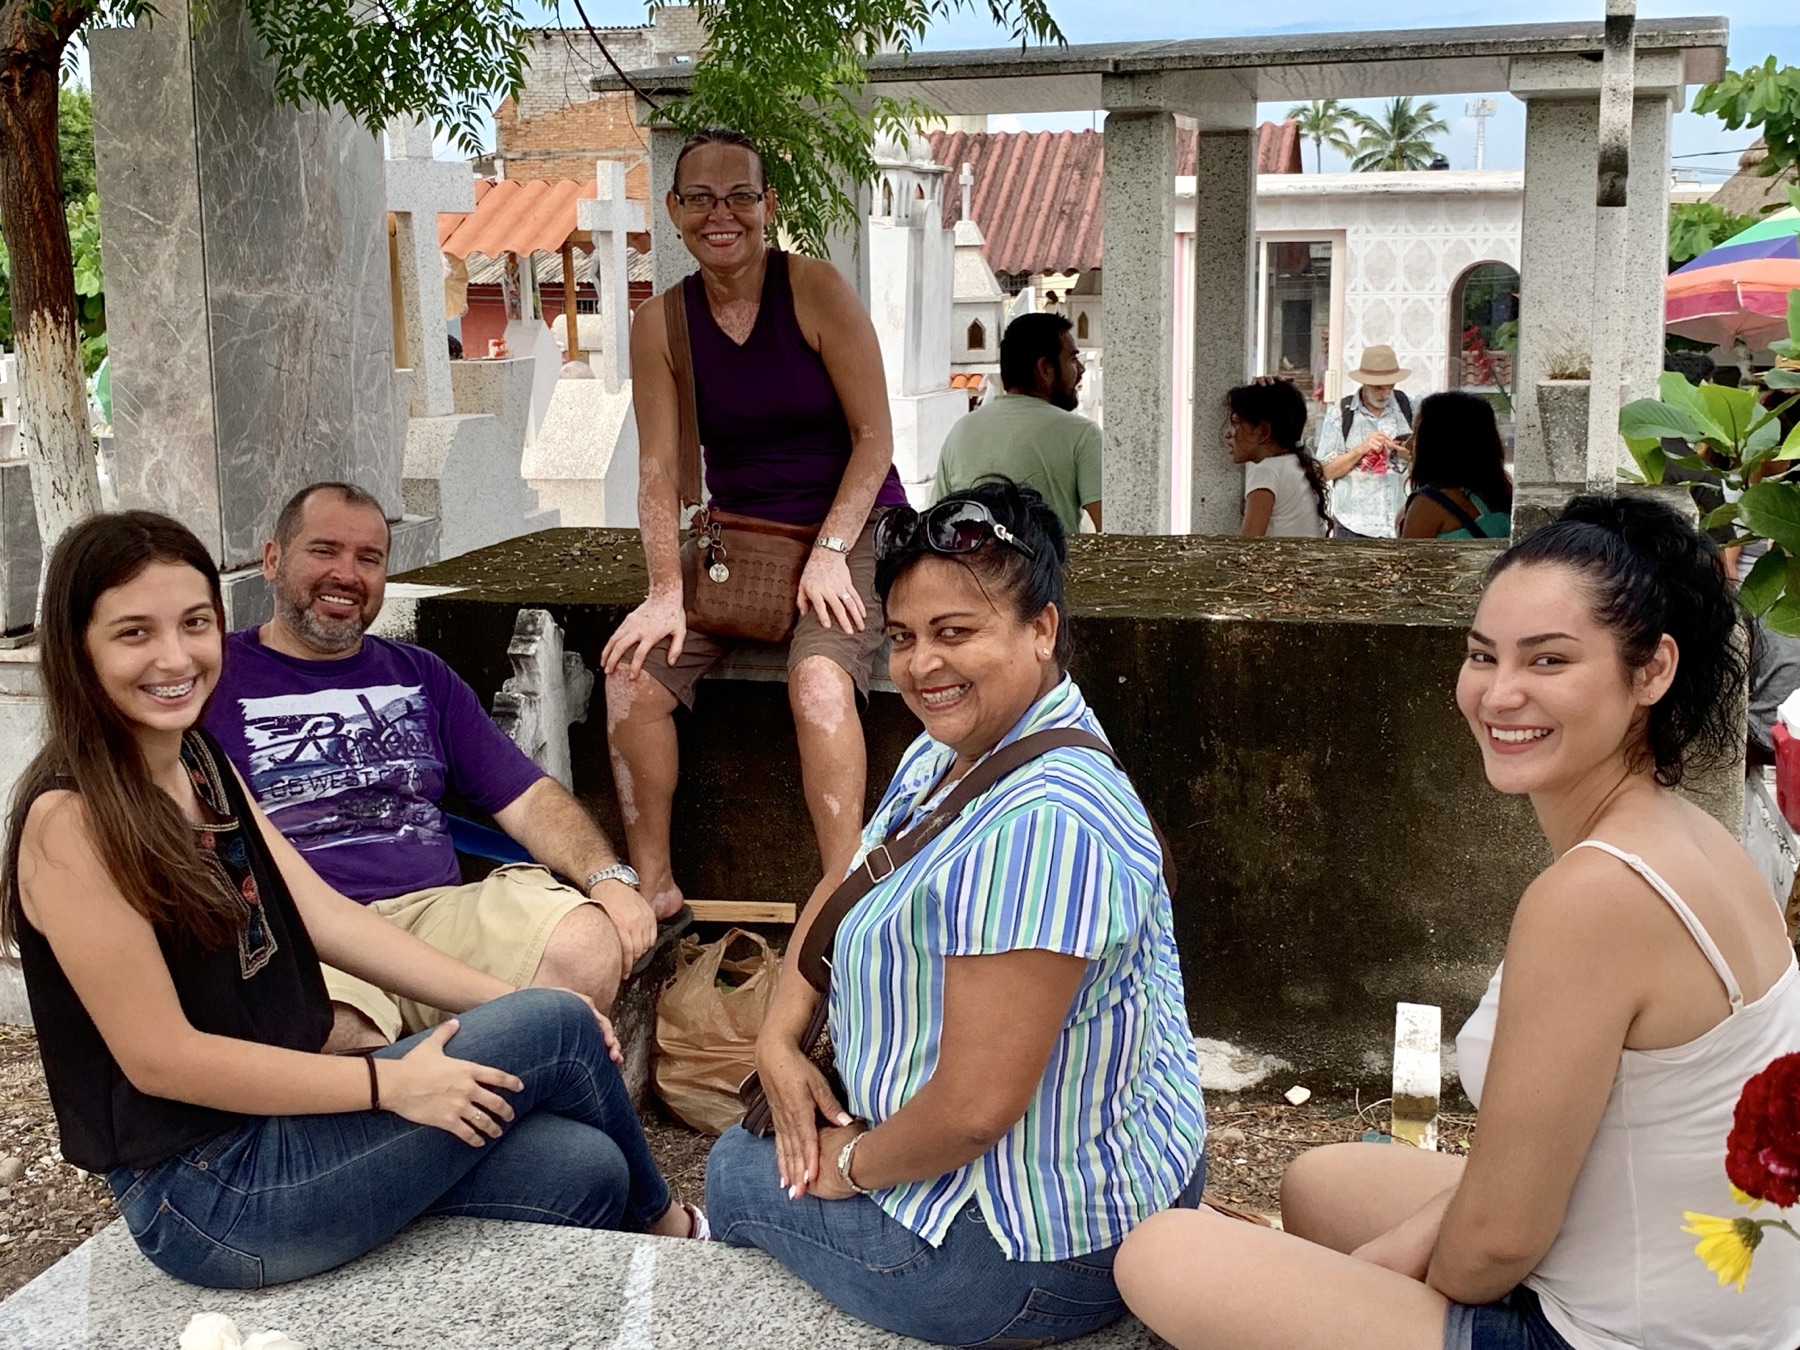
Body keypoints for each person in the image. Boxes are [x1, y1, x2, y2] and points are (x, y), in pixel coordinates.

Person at [1115, 494, 1800, 1350]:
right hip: (1694, 1288)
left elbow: (1496, 1248)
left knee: (1163, 1253)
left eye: (1548, 660)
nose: (1500, 694)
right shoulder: (1695, 832)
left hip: (1614, 1334)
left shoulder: (1595, 896)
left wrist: (1370, 1283)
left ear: (1652, 671)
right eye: (1483, 655)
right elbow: (1577, 1145)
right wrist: (1377, 1263)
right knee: (1322, 1182)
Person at [3, 511, 704, 1289]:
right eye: (135, 632)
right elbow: (162, 1060)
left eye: (194, 623)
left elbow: (323, 916)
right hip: (208, 1195)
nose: (175, 657)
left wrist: (508, 1009)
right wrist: (391, 1085)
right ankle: (678, 1237)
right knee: (559, 1033)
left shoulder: (197, 758)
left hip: (286, 1128)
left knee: (586, 1167)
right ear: (77, 646)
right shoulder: (70, 822)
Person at [704, 479, 1207, 1348]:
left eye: (955, 632)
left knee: (734, 1172)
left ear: (1041, 629)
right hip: (1117, 1160)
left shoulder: (1042, 825)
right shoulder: (961, 749)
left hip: (1030, 1248)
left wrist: (849, 1165)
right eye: (902, 637)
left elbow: (975, 1110)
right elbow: (851, 876)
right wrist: (777, 1040)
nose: (921, 665)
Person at [204, 483, 654, 1055]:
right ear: (272, 560)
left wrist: (607, 877)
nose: (347, 574)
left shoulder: (421, 674)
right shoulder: (213, 675)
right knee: (338, 1028)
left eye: (369, 559)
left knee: (586, 945)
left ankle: (492, 1084)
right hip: (303, 926)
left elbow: (527, 797)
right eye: (324, 551)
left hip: (432, 913)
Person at [601, 128, 910, 915]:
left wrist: (831, 549)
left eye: (740, 196)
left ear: (767, 205)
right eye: (701, 199)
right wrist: (664, 590)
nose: (721, 215)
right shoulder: (660, 323)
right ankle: (654, 888)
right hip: (736, 535)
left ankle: (842, 896)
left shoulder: (814, 289)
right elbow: (659, 468)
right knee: (631, 672)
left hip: (852, 524)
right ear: (674, 209)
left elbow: (875, 438)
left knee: (819, 681)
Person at [933, 312, 1102, 534]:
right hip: (1049, 558)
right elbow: (1115, 529)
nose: (1080, 369)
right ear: (1045, 369)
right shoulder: (1082, 434)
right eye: (1072, 359)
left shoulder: (961, 431)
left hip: (973, 558)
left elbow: (937, 526)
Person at [1315, 344, 1416, 538]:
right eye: (1379, 388)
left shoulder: (1411, 408)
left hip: (1403, 523)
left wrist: (1408, 453)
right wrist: (1360, 450)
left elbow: (1433, 464)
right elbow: (1323, 472)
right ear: (1365, 383)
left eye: (1391, 386)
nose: (1386, 394)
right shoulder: (1341, 414)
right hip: (1353, 526)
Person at [1397, 391, 1513, 539]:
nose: (1408, 444)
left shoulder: (1428, 504)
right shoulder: (1501, 495)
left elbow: (1410, 554)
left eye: (1417, 435)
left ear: (1440, 444)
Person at [1227, 381, 1330, 538]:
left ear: (1263, 431)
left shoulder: (1265, 471)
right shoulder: (1296, 462)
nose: (1228, 434)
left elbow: (1248, 545)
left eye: (1236, 423)